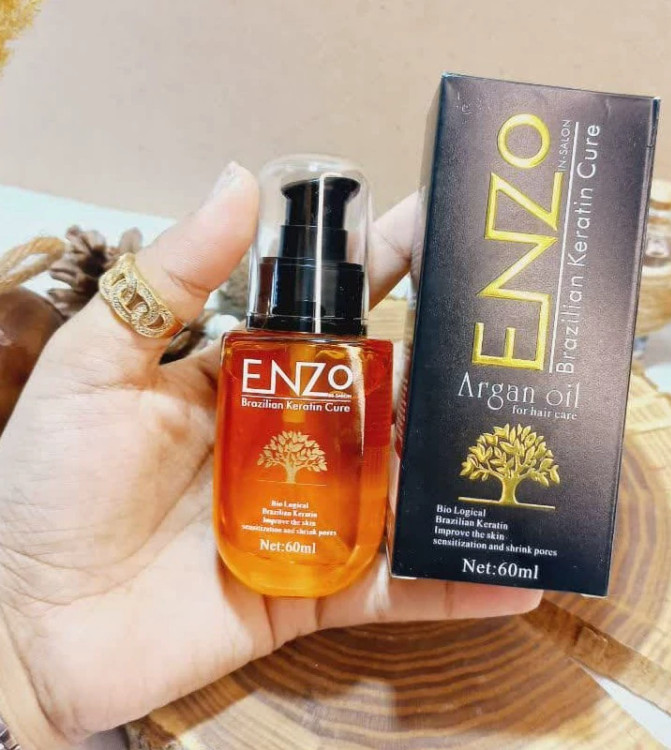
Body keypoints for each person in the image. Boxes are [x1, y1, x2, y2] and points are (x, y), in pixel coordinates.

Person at [0, 163, 542, 750]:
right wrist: (22, 651)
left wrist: (28, 683)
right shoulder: (250, 353)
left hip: (332, 559)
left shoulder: (356, 361)